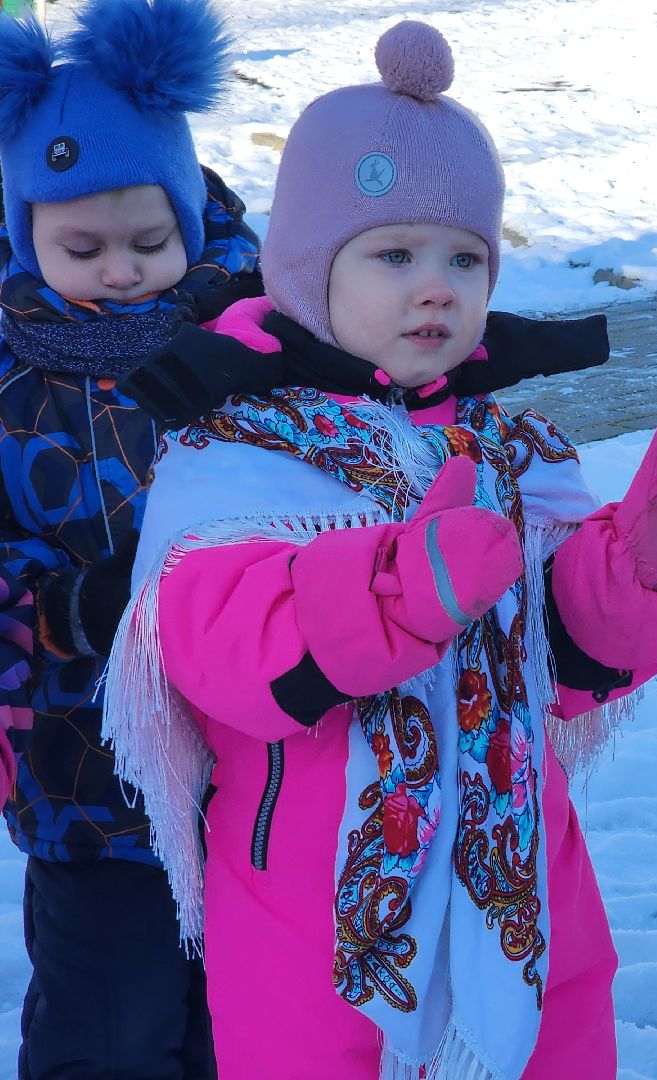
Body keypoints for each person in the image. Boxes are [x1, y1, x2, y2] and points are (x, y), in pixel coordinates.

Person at [103, 19, 657, 1079]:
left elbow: (563, 674)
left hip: (523, 888)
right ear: (302, 269)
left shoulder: (512, 452)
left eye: (465, 258)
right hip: (315, 919)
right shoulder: (234, 452)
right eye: (394, 254)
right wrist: (394, 597)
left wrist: (636, 571)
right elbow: (220, 651)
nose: (438, 286)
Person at [0, 0, 261, 1074]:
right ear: (24, 233)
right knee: (106, 1037)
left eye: (149, 241)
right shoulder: (15, 380)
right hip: (85, 795)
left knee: (241, 1033)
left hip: (256, 788)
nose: (119, 269)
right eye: (80, 245)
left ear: (191, 216)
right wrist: (65, 609)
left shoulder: (262, 345)